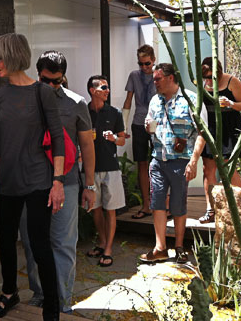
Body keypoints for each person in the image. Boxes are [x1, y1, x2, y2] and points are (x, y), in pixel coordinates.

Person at [0, 34, 65, 321]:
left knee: (40, 245)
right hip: (8, 182)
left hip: (39, 181)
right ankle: (9, 292)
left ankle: (52, 308)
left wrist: (57, 182)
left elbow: (57, 138)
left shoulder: (42, 92)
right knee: (5, 241)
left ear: (14, 56)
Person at [20, 51, 96, 313]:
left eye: (57, 81)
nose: (51, 86)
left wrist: (89, 185)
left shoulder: (76, 103)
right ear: (37, 74)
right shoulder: (26, 99)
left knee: (63, 242)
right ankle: (40, 294)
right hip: (31, 183)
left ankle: (62, 301)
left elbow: (87, 145)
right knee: (31, 241)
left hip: (67, 182)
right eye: (45, 80)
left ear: (64, 78)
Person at [140, 63, 207, 264]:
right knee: (157, 202)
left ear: (171, 78)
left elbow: (203, 133)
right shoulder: (155, 100)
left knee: (178, 204)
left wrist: (194, 161)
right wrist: (147, 127)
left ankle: (179, 246)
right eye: (154, 79)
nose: (155, 83)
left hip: (181, 159)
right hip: (158, 158)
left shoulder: (191, 99)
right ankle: (160, 247)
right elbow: (150, 124)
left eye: (158, 79)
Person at [199, 57, 241, 224]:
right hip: (211, 127)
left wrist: (230, 104)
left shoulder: (231, 81)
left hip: (229, 126)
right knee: (208, 168)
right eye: (205, 77)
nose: (208, 80)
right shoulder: (203, 84)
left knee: (228, 166)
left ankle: (237, 207)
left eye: (211, 77)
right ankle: (211, 209)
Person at [86, 75, 125, 268]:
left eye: (108, 87)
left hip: (111, 168)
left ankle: (108, 249)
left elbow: (122, 140)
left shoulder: (115, 113)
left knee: (111, 210)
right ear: (93, 91)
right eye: (104, 87)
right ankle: (102, 243)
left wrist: (113, 139)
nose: (107, 90)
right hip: (91, 169)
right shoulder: (84, 112)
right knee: (96, 208)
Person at [123, 45, 157, 219]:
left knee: (161, 163)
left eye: (147, 63)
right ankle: (146, 205)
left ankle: (162, 205)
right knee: (141, 163)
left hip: (157, 124)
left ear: (154, 60)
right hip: (139, 122)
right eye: (141, 64)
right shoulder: (134, 76)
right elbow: (128, 100)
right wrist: (123, 126)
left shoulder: (160, 74)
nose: (144, 67)